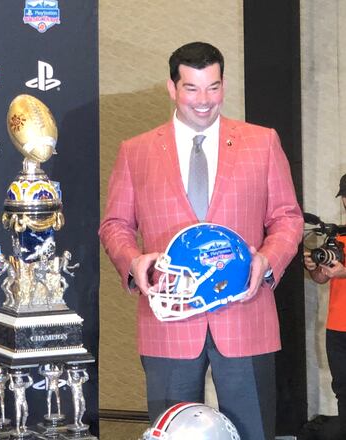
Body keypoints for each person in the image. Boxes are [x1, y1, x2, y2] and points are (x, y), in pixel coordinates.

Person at [99, 41, 303, 440]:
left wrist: (267, 260)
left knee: (254, 431)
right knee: (171, 434)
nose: (204, 100)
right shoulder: (135, 151)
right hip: (167, 319)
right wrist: (133, 260)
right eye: (192, 88)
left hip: (245, 313)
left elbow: (287, 218)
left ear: (224, 85)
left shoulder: (262, 142)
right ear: (172, 89)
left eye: (213, 86)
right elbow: (115, 225)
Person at [302, 173, 346, 439]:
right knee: (342, 389)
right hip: (337, 329)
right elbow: (322, 278)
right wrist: (314, 269)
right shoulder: (336, 239)